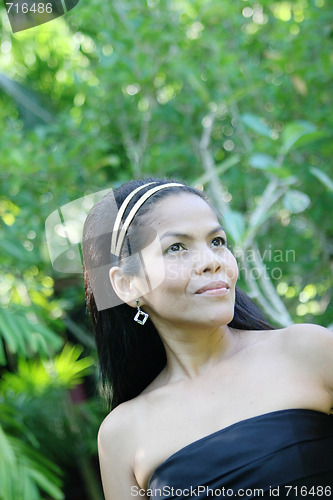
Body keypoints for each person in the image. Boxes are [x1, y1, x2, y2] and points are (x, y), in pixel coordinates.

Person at [82, 177, 333, 499]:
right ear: (128, 285)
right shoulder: (122, 433)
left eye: (217, 241)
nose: (212, 261)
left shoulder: (305, 351)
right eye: (176, 248)